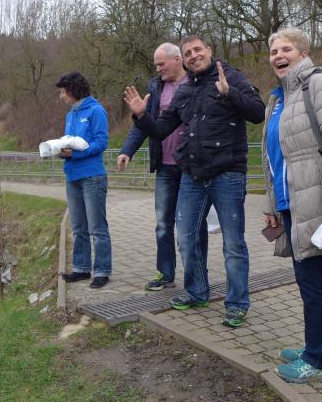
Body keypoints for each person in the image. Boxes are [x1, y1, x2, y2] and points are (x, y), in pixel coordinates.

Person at [125, 35, 265, 328]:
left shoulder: (231, 77)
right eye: (188, 52)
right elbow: (161, 130)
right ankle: (197, 291)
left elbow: (258, 112)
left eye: (197, 49)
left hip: (228, 173)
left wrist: (229, 93)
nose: (193, 55)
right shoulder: (185, 89)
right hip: (192, 175)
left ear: (209, 51)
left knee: (233, 243)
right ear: (184, 59)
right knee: (187, 237)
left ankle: (237, 304)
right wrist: (141, 116)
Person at [262, 28, 322, 384]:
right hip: (290, 201)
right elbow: (273, 158)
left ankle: (319, 358)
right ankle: (317, 347)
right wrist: (272, 204)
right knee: (306, 279)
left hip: (313, 197)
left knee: (312, 280)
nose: (278, 56)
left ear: (303, 52)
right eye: (273, 51)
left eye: (286, 49)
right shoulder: (278, 98)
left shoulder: (318, 83)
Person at [118, 42, 208, 291]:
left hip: (192, 167)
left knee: (193, 225)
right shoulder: (155, 88)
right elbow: (144, 123)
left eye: (161, 64)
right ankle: (165, 273)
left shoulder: (197, 82)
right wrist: (127, 150)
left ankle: (197, 276)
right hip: (165, 167)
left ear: (177, 59)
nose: (158, 69)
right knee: (163, 224)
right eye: (156, 65)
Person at [56, 71, 113, 289]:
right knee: (78, 226)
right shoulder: (70, 115)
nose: (61, 96)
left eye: (63, 92)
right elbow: (70, 142)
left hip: (92, 177)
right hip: (72, 177)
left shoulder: (96, 111)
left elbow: (101, 142)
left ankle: (102, 271)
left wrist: (76, 154)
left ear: (73, 90)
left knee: (97, 228)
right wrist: (61, 151)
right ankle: (81, 268)